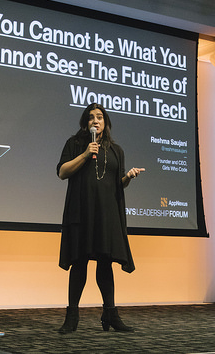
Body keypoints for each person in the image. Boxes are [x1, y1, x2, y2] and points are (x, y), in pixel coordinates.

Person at [56, 103, 145, 334]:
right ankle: (72, 316)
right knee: (80, 261)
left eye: (100, 117)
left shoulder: (117, 151)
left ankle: (110, 314)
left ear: (105, 123)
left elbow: (117, 185)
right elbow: (62, 172)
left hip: (107, 215)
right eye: (91, 118)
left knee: (105, 264)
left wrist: (128, 177)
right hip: (82, 212)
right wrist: (85, 154)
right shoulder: (74, 144)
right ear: (85, 123)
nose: (95, 121)